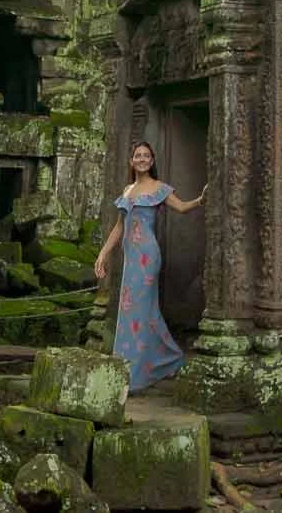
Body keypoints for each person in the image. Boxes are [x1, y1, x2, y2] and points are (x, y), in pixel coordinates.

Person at [92, 141, 204, 392]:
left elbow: (183, 207)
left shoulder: (159, 188)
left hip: (147, 256)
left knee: (139, 310)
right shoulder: (128, 189)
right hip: (130, 257)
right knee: (130, 310)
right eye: (137, 156)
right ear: (132, 161)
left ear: (152, 161)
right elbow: (119, 226)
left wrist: (201, 199)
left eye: (146, 156)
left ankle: (135, 373)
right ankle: (149, 362)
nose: (141, 159)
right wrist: (103, 254)